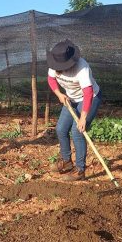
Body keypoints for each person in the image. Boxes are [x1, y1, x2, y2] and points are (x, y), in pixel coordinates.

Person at [47, 39, 102, 181]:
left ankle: (80, 170)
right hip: (70, 98)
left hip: (89, 98)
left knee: (77, 132)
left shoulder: (81, 67)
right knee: (60, 129)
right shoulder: (54, 64)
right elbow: (51, 79)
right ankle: (67, 162)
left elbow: (88, 92)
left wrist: (83, 117)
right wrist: (59, 94)